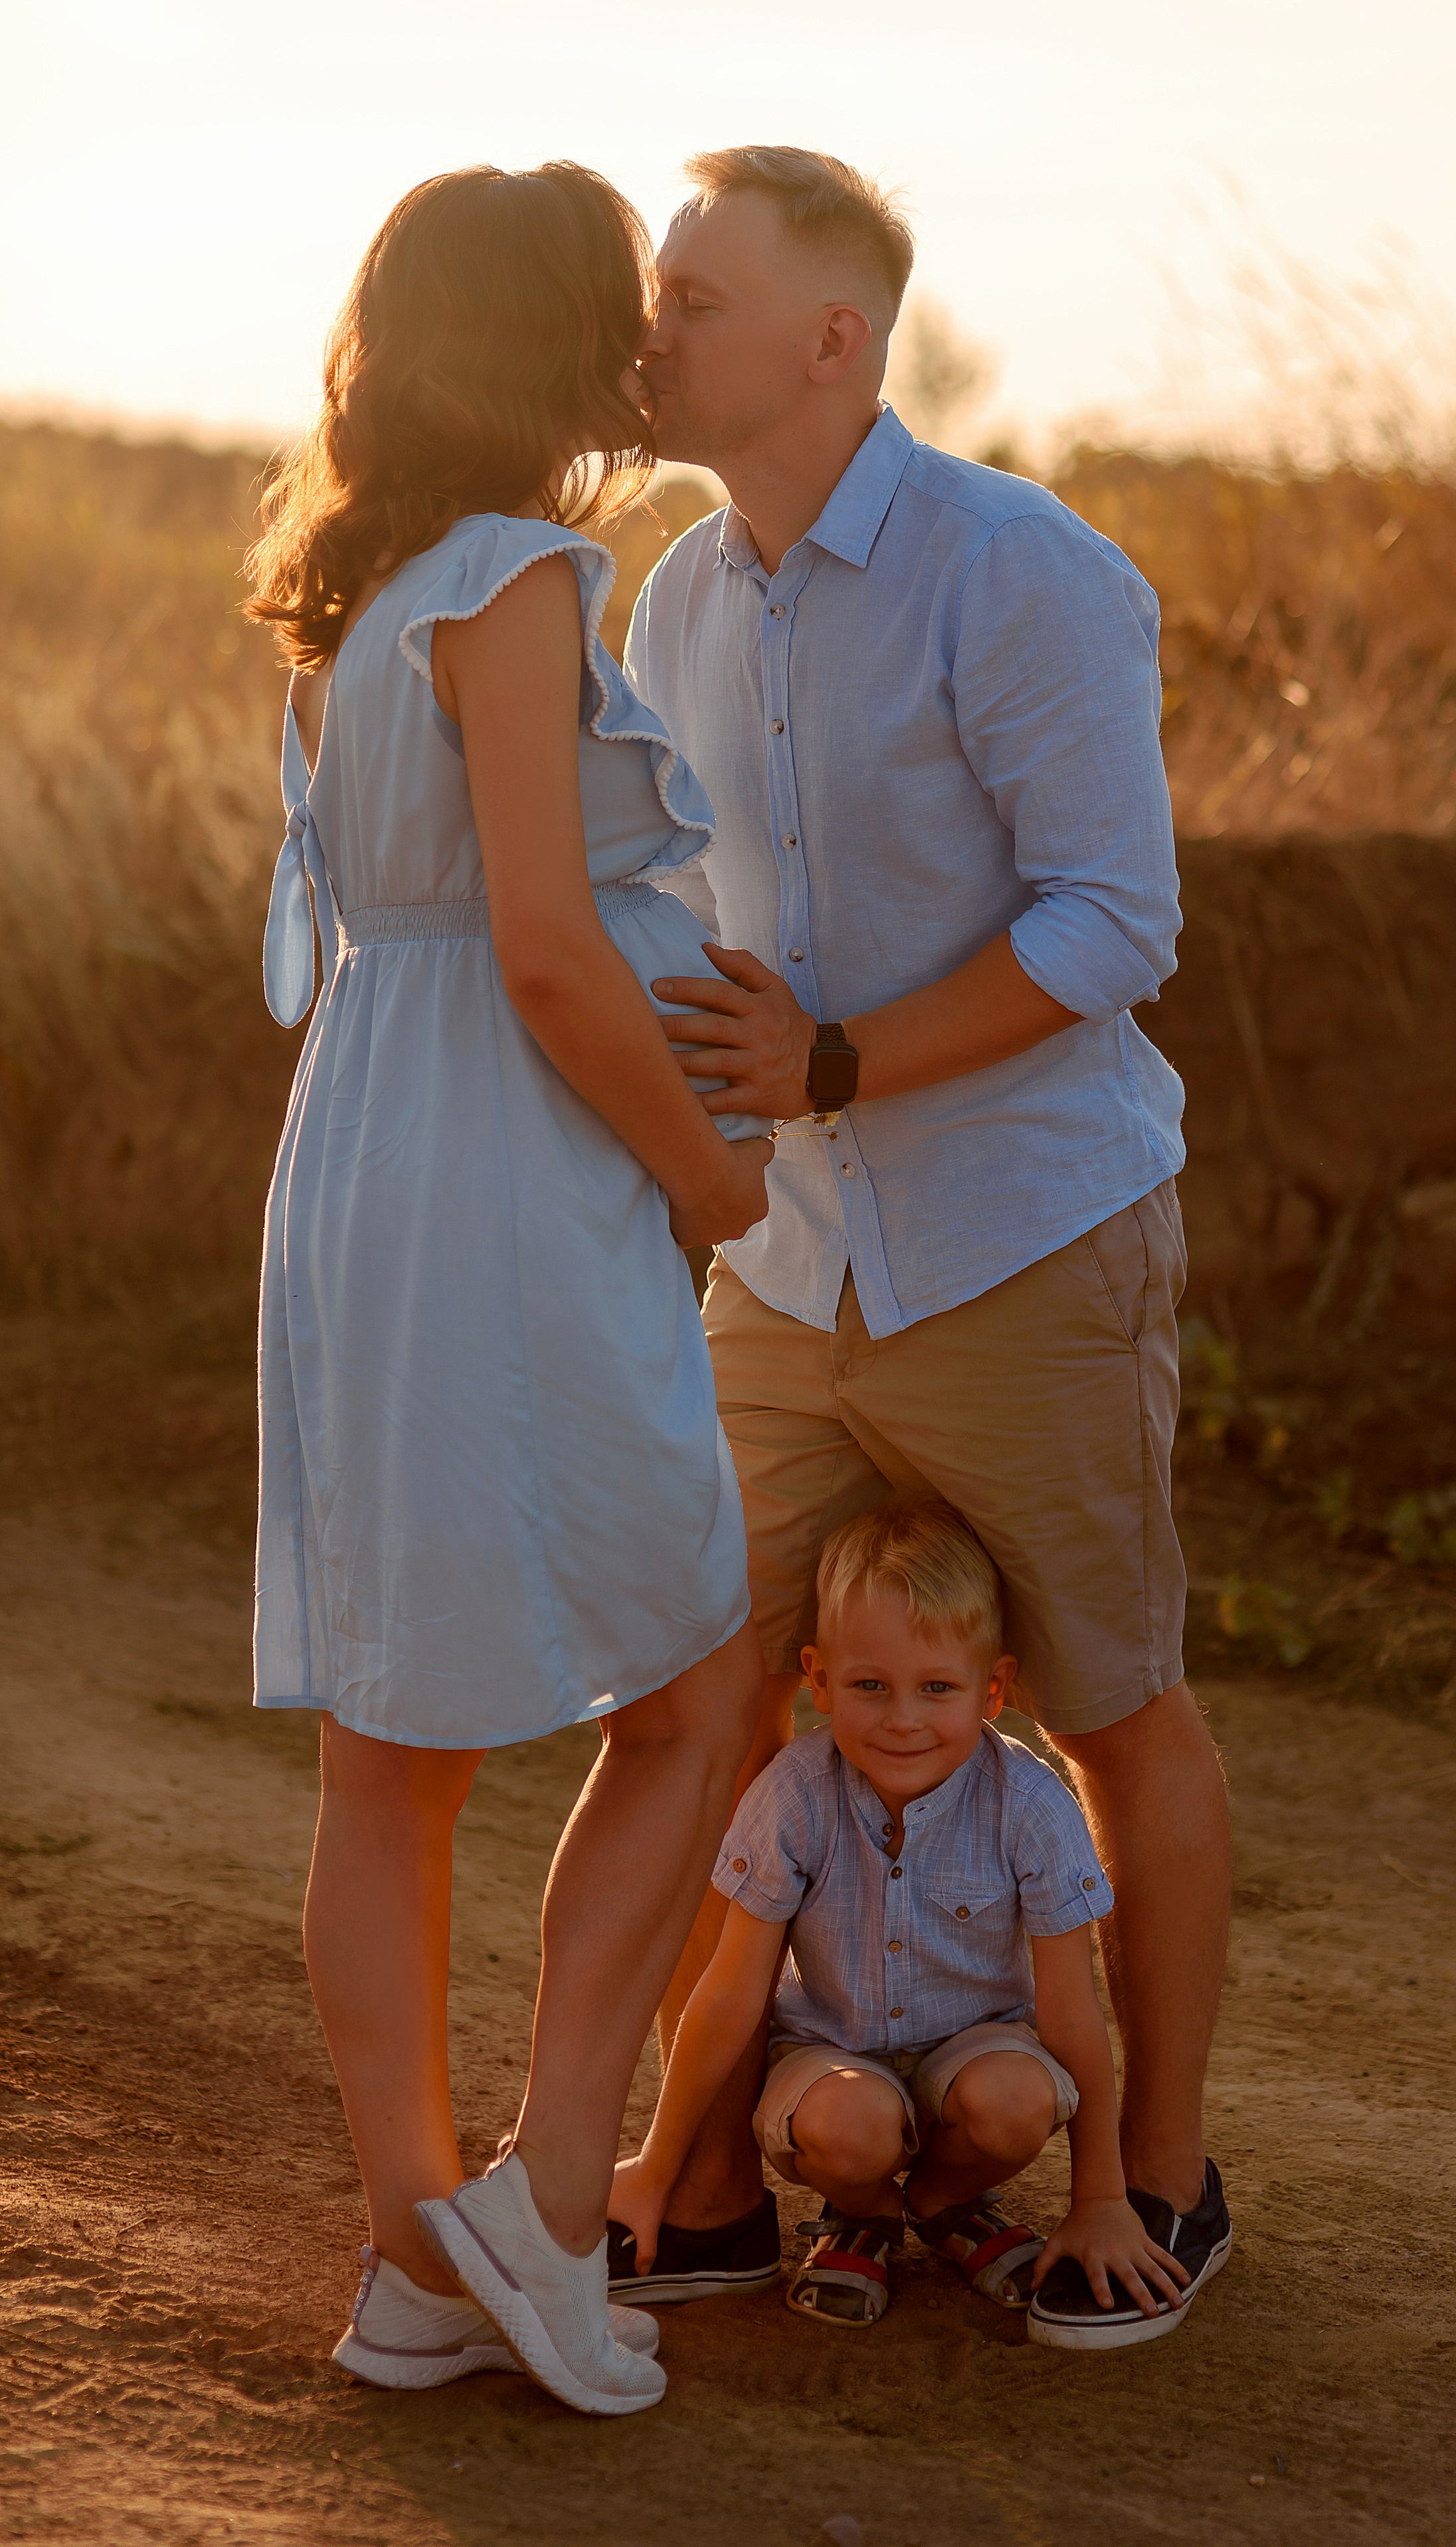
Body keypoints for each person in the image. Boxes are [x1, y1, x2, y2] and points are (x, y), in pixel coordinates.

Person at [613, 145, 1233, 2347]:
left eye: (691, 298)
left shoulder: (1021, 568)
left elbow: (1116, 919)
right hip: (783, 1270)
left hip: (1026, 1244)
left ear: (833, 341)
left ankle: (1164, 2181)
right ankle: (696, 2187)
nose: (649, 329)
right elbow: (683, 938)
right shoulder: (674, 602)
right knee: (691, 1699)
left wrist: (843, 1060)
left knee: (1114, 1708)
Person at [244, 160, 771, 2415]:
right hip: (500, 1156)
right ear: (551, 336)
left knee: (390, 1758)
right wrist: (708, 1177)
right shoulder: (526, 576)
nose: (647, 344)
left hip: (363, 1143)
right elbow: (551, 951)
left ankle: (413, 2263)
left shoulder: (351, 596)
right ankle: (549, 2198)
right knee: (696, 1675)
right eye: (619, 306)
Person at [613, 1503, 1202, 2345]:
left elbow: (1072, 2013)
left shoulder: (1030, 1807)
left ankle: (942, 2199)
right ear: (818, 1679)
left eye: (937, 1688)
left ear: (992, 1689)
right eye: (869, 1686)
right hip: (830, 2065)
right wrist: (655, 2167)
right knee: (849, 2127)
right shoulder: (793, 1796)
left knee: (1016, 2100)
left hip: (979, 2056)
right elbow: (730, 1994)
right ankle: (866, 2213)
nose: (902, 1718)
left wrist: (1101, 2198)